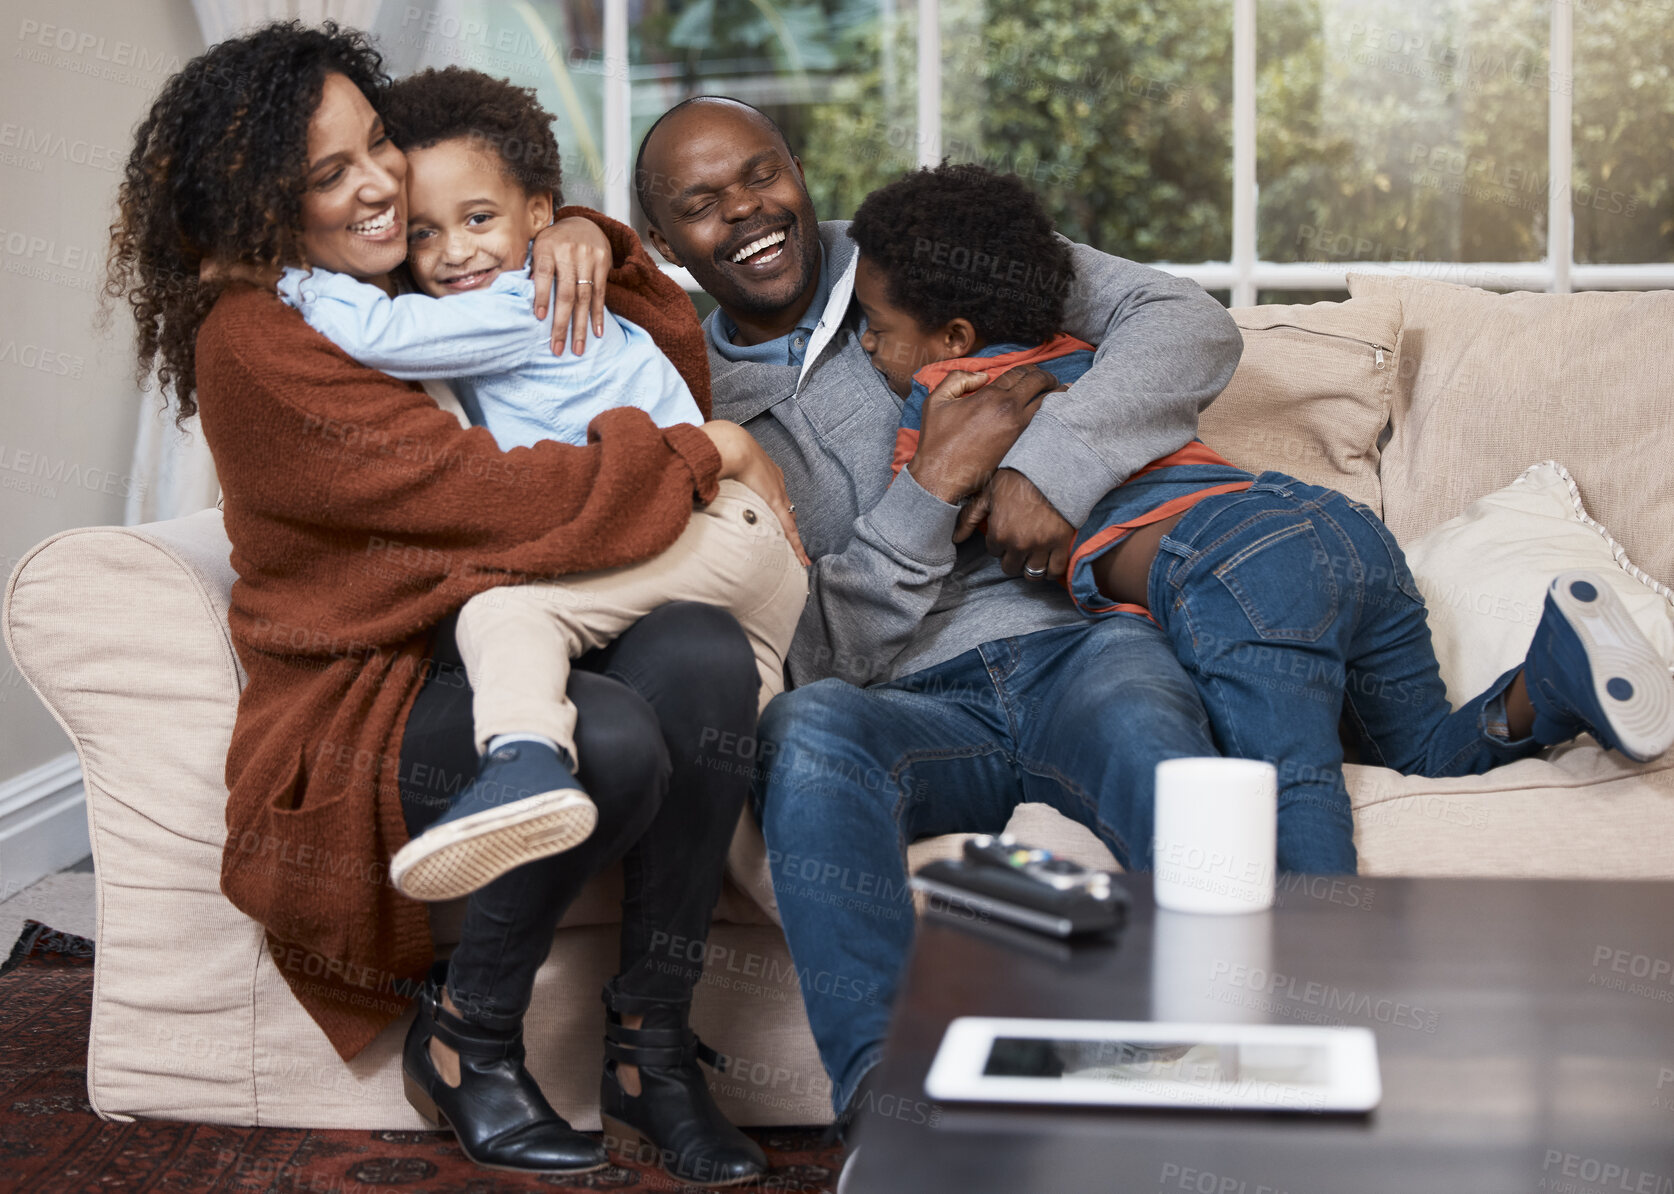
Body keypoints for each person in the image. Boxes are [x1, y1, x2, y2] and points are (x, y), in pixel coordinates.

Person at [106, 25, 780, 1183]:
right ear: (260, 198)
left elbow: (647, 338)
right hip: (375, 685)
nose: (377, 185)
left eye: (376, 147)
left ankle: (651, 1048)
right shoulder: (262, 339)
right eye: (329, 175)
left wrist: (578, 237)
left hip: (521, 618)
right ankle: (468, 1040)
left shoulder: (420, 279)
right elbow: (488, 500)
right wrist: (695, 457)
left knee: (708, 656)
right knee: (609, 740)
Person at [633, 96, 1243, 1136]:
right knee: (804, 729)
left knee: (1153, 736)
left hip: (1076, 645)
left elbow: (1187, 324)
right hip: (904, 705)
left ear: (797, 167)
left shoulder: (920, 253)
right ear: (659, 242)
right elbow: (810, 645)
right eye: (700, 204)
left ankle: (1223, 1050)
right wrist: (933, 491)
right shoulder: (680, 395)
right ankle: (889, 1102)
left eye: (761, 173)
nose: (746, 210)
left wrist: (1050, 468)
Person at [849, 161, 1674, 873]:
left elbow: (933, 513)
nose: (865, 350)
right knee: (1418, 752)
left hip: (1231, 572)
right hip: (1334, 534)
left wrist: (938, 481)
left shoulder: (947, 401)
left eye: (876, 332)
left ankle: (1312, 1008)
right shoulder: (1087, 355)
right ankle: (1552, 677)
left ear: (953, 337)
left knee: (1291, 803)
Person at [276, 66, 808, 905]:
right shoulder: (516, 286)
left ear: (537, 216)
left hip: (711, 523)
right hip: (730, 553)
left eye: (478, 219)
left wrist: (289, 275)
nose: (454, 253)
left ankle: (524, 761)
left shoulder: (520, 306)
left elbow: (378, 331)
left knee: (503, 612)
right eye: (423, 233)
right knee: (738, 833)